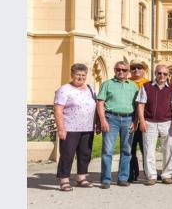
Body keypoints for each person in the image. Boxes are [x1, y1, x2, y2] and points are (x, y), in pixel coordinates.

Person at [53, 63, 97, 191]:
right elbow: (58, 110)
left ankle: (81, 178)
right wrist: (61, 128)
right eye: (78, 74)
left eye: (83, 75)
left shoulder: (90, 89)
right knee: (67, 155)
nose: (81, 77)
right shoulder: (65, 89)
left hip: (88, 128)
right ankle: (64, 180)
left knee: (85, 154)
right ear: (72, 74)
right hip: (70, 128)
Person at [96, 60, 139, 189]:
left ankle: (122, 178)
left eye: (124, 70)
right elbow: (100, 103)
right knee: (107, 150)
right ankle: (106, 179)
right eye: (118, 69)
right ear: (114, 70)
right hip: (111, 118)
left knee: (127, 150)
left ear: (128, 72)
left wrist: (135, 121)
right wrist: (102, 120)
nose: (121, 72)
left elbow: (137, 105)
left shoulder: (133, 86)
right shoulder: (107, 84)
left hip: (128, 119)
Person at [135, 64, 172, 185]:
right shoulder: (146, 86)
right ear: (155, 73)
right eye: (159, 73)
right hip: (150, 122)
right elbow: (141, 105)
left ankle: (167, 175)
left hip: (167, 122)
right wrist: (142, 121)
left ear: (168, 75)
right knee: (149, 149)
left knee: (168, 149)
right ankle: (151, 176)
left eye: (164, 73)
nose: (162, 76)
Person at [127, 59, 149, 182]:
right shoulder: (126, 82)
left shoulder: (148, 83)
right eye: (134, 68)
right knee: (130, 148)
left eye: (139, 68)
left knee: (146, 148)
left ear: (143, 70)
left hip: (145, 121)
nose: (136, 70)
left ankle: (148, 172)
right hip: (129, 119)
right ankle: (131, 173)